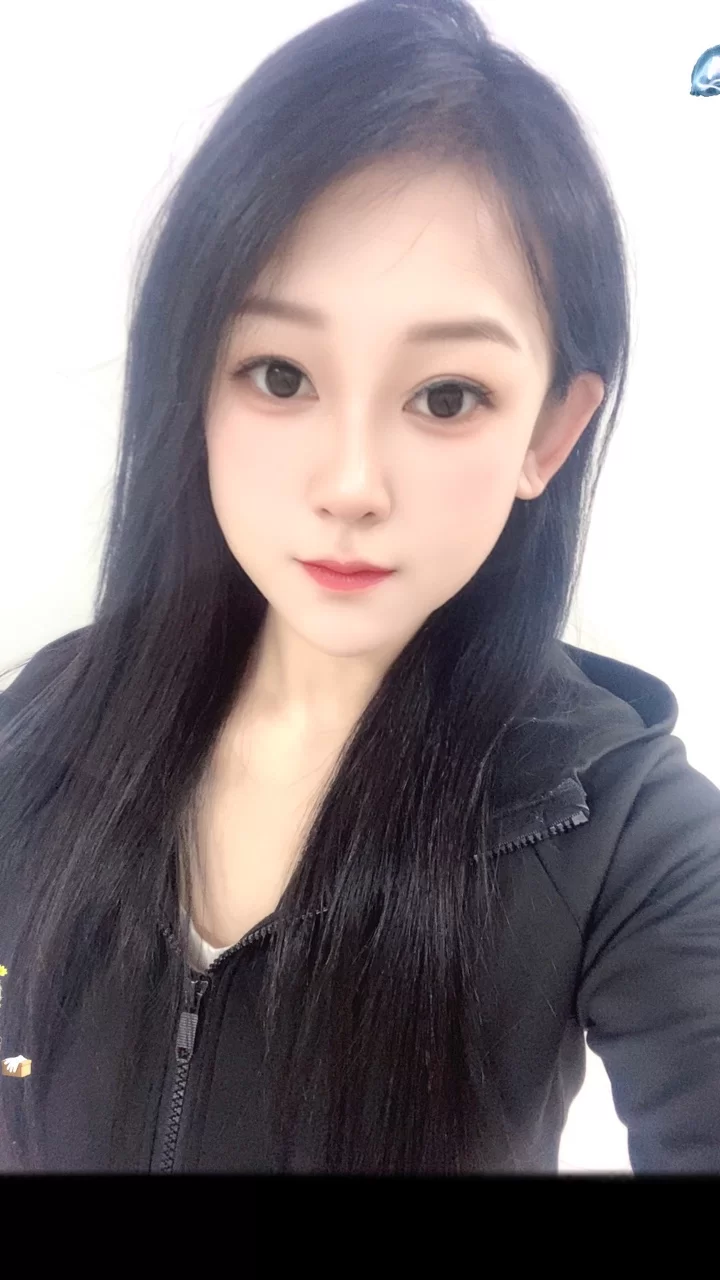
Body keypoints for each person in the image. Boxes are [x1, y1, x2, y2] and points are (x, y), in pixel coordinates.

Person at [1, 0, 719, 1175]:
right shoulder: (45, 719)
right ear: (195, 382)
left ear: (550, 432)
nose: (349, 484)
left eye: (447, 396)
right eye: (279, 374)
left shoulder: (624, 828)